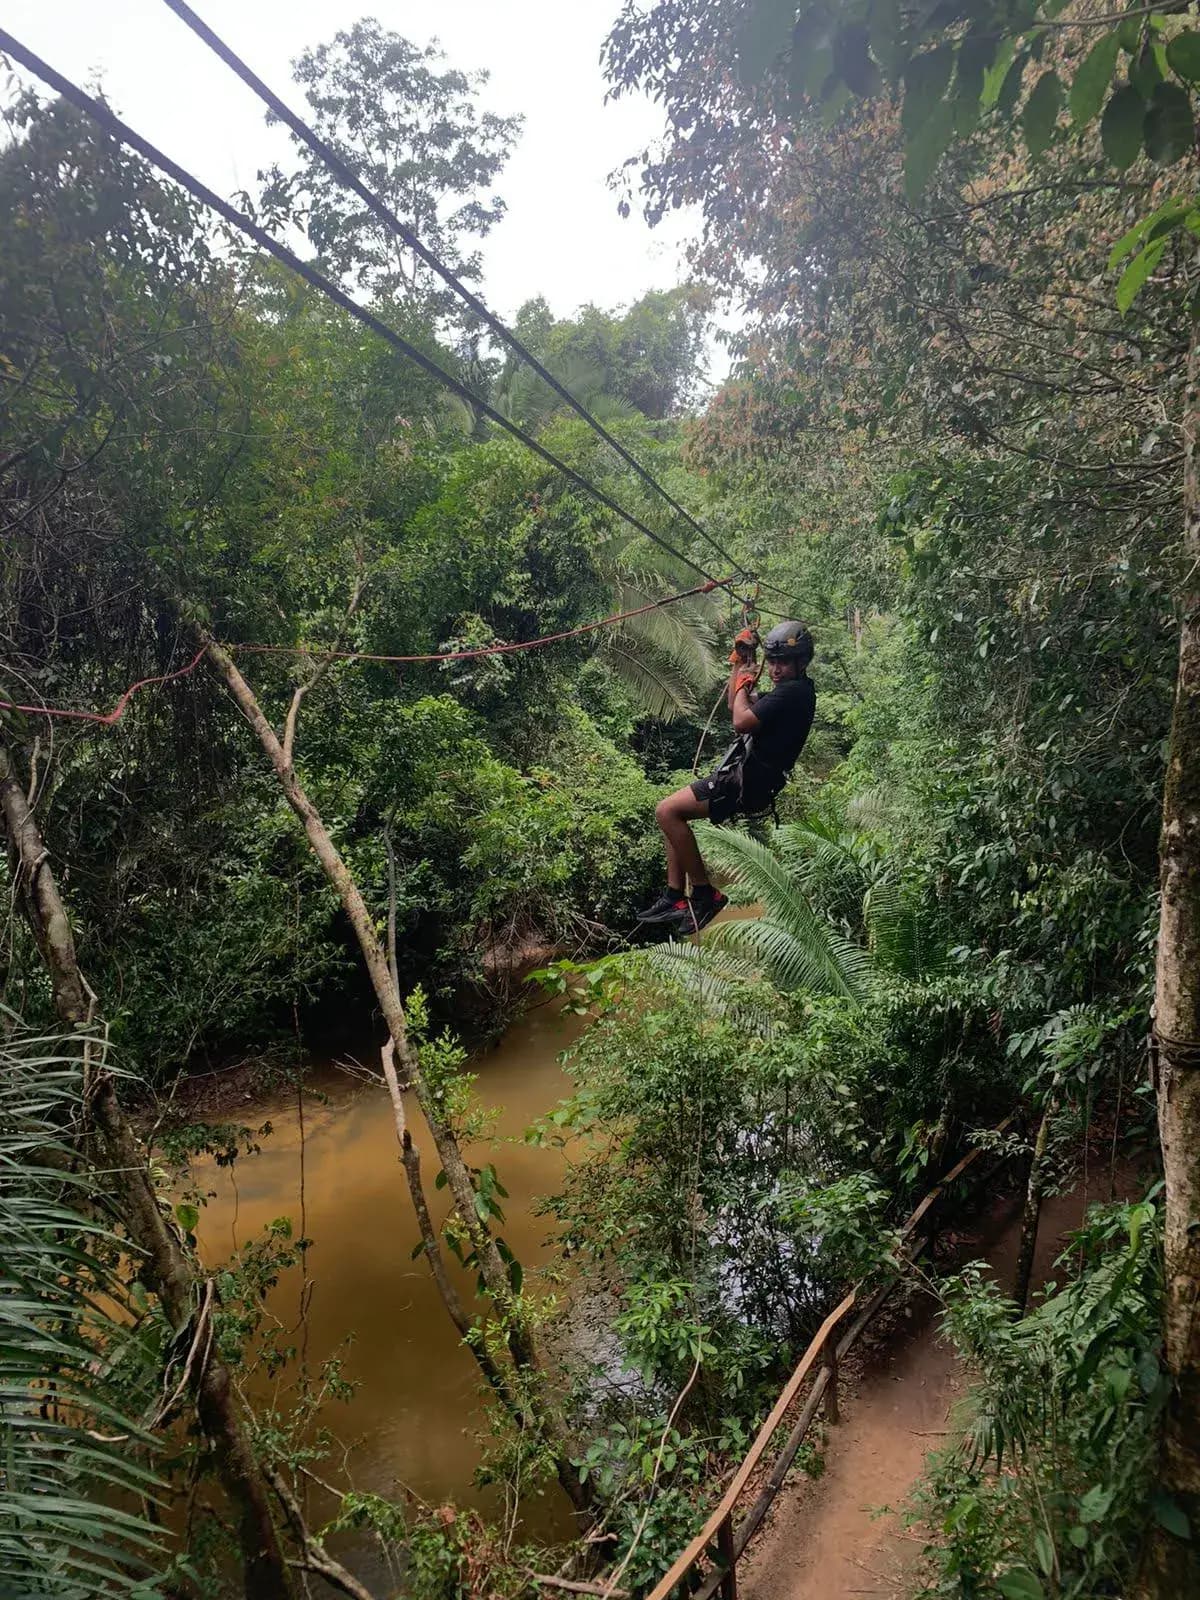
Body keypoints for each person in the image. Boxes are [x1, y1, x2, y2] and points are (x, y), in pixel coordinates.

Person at [637, 619, 816, 934]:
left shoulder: (793, 693)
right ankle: (674, 895)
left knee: (666, 811)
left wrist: (746, 683)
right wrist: (738, 665)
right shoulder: (788, 692)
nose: (775, 669)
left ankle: (705, 893)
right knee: (671, 815)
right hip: (746, 778)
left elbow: (741, 722)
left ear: (801, 663)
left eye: (783, 662)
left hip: (745, 783)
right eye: (771, 661)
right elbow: (736, 704)